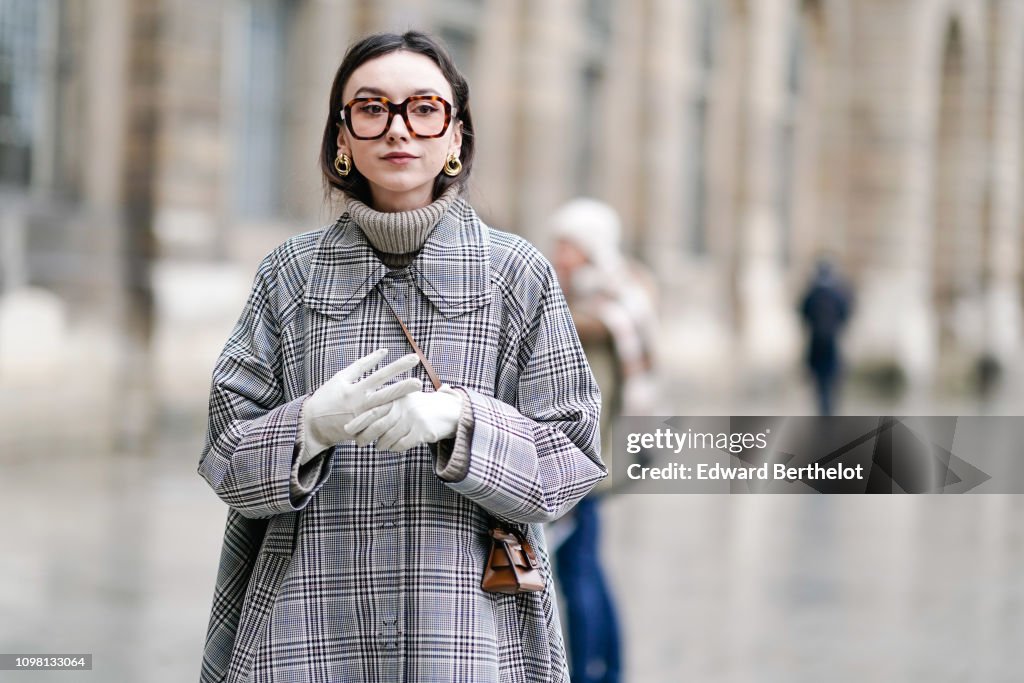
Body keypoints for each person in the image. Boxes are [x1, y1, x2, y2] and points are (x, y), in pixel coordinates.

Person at [197, 31, 606, 683]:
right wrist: (307, 428)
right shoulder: (289, 274)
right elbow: (223, 453)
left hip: (466, 633)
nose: (398, 129)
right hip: (306, 629)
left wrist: (463, 422)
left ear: (454, 137)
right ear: (341, 137)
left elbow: (574, 459)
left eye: (423, 108)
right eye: (371, 107)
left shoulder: (516, 274)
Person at [548, 199, 660, 683]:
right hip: (599, 456)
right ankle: (608, 667)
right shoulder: (615, 292)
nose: (558, 254)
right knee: (586, 565)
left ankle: (591, 673)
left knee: (578, 570)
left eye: (567, 245)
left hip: (589, 457)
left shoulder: (603, 304)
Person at [799, 259, 853, 416]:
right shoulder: (836, 294)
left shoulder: (813, 293)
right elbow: (845, 313)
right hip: (831, 341)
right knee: (830, 376)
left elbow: (803, 312)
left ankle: (823, 407)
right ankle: (828, 408)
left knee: (820, 379)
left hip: (816, 341)